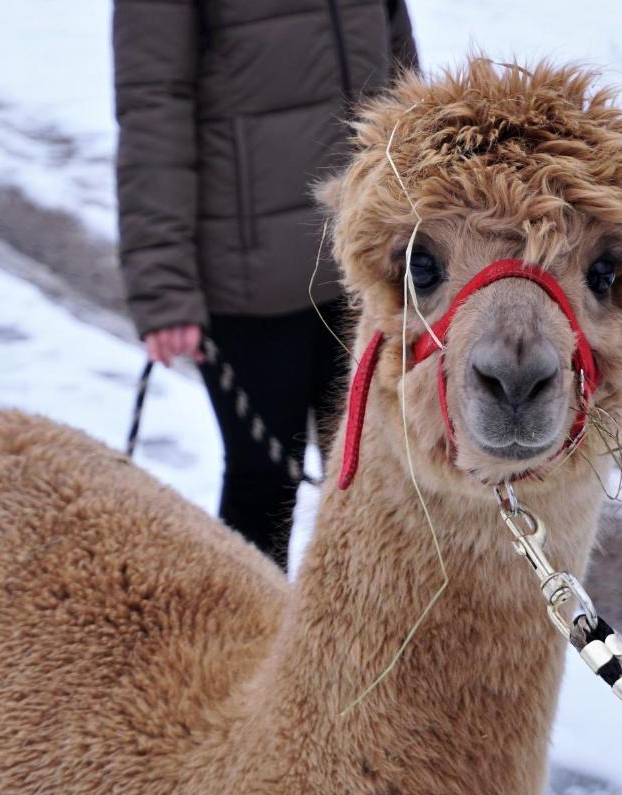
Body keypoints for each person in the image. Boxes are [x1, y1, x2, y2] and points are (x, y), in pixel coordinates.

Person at [113, 0, 418, 569]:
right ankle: (246, 644)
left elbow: (401, 64)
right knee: (264, 483)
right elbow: (153, 108)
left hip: (371, 267)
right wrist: (163, 284)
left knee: (378, 485)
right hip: (249, 277)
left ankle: (364, 646)